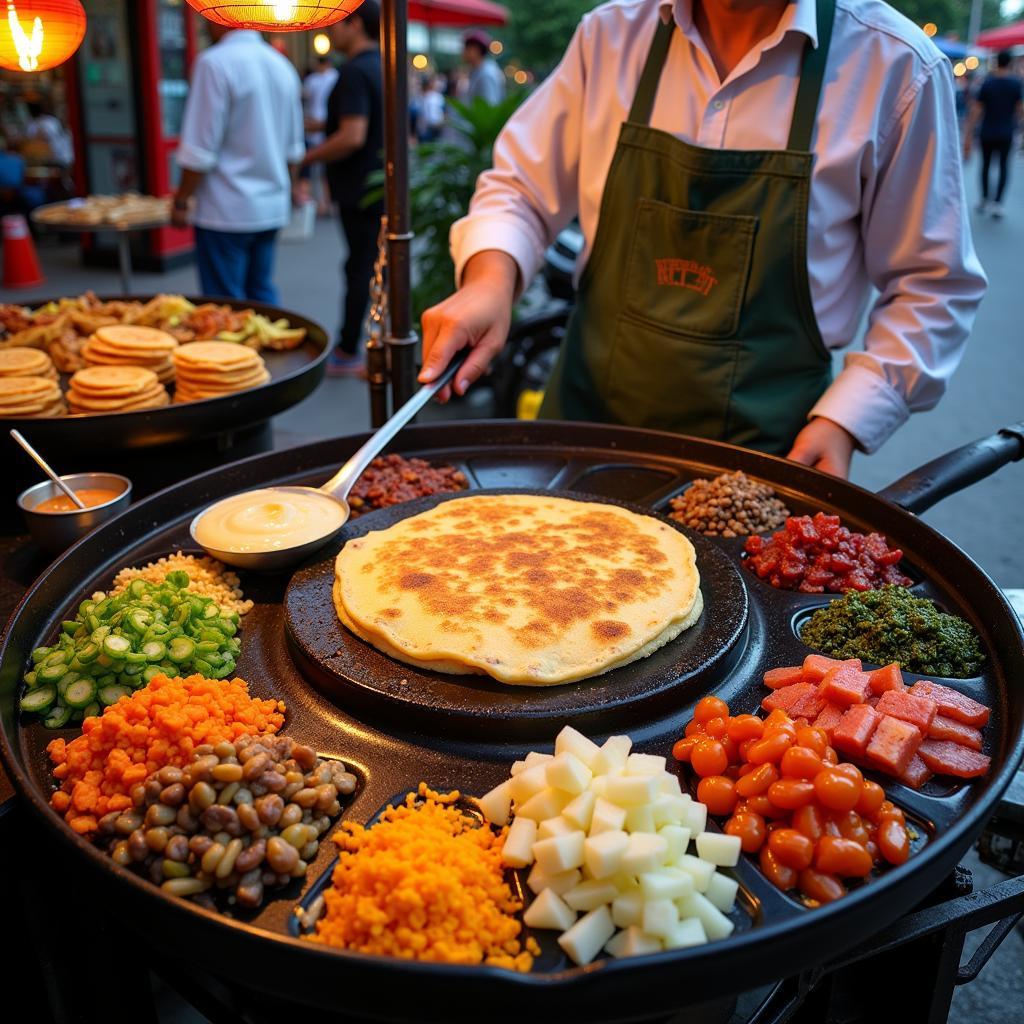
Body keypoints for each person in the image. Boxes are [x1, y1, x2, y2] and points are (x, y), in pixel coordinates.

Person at [420, 0, 986, 479]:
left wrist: (845, 420)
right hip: (582, 432)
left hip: (764, 457)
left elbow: (932, 284)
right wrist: (491, 280)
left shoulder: (894, 66)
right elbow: (520, 187)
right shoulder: (611, 36)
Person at [172, 24, 304, 303]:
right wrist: (288, 190)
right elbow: (294, 149)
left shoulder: (214, 63)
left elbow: (199, 150)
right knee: (261, 292)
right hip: (270, 204)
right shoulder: (281, 64)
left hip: (225, 208)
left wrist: (181, 199)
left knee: (226, 305)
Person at [303, 1, 383, 377]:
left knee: (358, 269)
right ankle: (362, 345)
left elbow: (352, 135)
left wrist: (307, 158)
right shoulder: (385, 66)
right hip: (380, 186)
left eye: (336, 23)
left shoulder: (353, 72)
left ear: (355, 24)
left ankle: (350, 349)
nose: (329, 31)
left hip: (360, 190)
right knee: (369, 266)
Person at [964, 51, 1023, 219]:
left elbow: (977, 110)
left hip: (987, 131)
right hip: (1006, 131)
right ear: (1010, 63)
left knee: (986, 165)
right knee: (1004, 166)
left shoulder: (988, 83)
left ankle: (984, 199)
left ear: (997, 62)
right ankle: (997, 203)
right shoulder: (1016, 84)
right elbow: (1020, 110)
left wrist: (968, 133)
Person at [302, 56, 340, 214]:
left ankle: (313, 203)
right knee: (326, 167)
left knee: (310, 167)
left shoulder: (313, 80)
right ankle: (326, 202)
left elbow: (304, 97)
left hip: (313, 124)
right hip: (330, 125)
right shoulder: (336, 76)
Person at [463, 30, 505, 105]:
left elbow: (489, 108)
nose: (464, 52)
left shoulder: (486, 74)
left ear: (476, 50)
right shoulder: (479, 71)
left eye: (467, 49)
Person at [417, 74, 446, 143]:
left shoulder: (438, 96)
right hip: (426, 127)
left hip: (436, 125)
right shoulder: (421, 97)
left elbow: (443, 111)